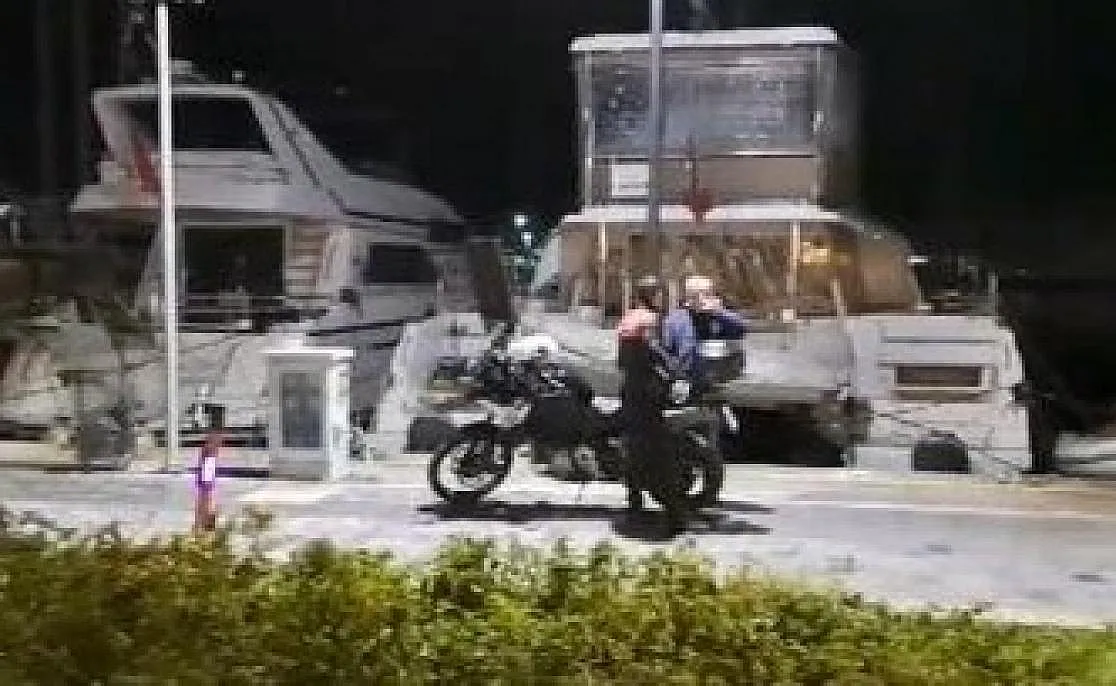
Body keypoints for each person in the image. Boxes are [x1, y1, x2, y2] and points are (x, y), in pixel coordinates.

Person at [616, 275, 670, 514]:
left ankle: (634, 494)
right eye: (659, 293)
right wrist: (672, 368)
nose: (661, 298)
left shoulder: (629, 317)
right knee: (653, 440)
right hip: (648, 388)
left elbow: (621, 360)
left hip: (630, 386)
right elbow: (655, 350)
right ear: (652, 295)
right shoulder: (650, 318)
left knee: (634, 440)